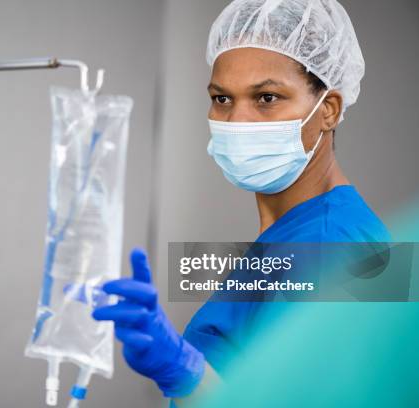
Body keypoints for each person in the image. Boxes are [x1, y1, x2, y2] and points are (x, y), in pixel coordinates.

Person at [92, 0, 391, 404]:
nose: (237, 122)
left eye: (266, 98)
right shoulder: (296, 232)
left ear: (329, 111)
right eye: (222, 99)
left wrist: (183, 371)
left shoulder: (339, 246)